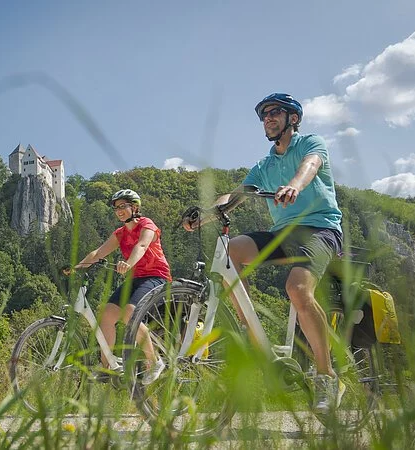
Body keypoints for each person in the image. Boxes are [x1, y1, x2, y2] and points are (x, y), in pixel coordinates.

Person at [185, 93, 344, 414]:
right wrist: (205, 214)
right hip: (282, 233)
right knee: (230, 253)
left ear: (293, 119)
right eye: (263, 116)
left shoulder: (310, 143)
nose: (267, 119)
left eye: (274, 113)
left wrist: (296, 185)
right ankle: (256, 338)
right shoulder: (265, 165)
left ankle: (327, 377)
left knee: (297, 289)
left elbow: (309, 165)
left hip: (319, 229)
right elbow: (237, 195)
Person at [75, 189, 172, 385]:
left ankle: (154, 362)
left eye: (122, 206)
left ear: (134, 207)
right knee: (107, 313)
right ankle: (108, 366)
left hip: (157, 277)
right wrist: (76, 268)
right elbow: (98, 253)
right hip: (135, 279)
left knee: (129, 312)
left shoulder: (147, 224)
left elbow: (142, 246)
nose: (118, 211)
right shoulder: (120, 233)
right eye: (116, 208)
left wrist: (128, 263)